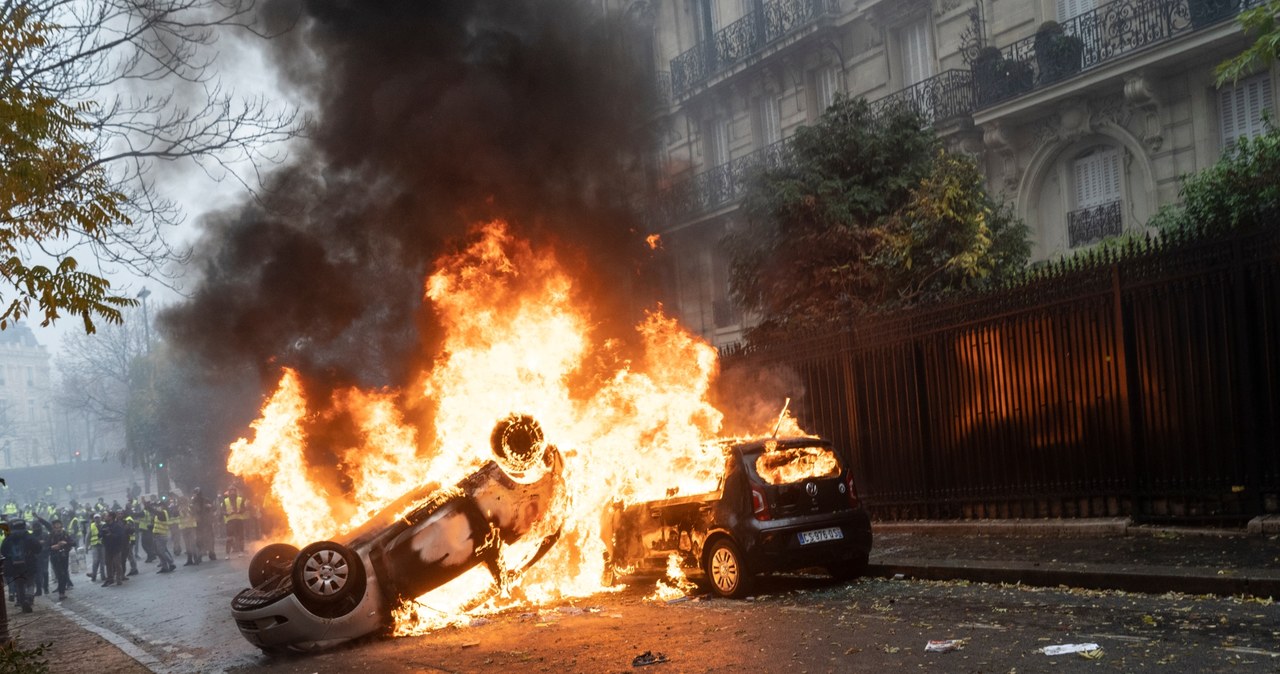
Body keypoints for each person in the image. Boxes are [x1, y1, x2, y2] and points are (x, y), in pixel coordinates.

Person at [1, 520, 41, 612]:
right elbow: (38, 547)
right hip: (29, 563)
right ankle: (29, 599)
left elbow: (3, 550)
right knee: (30, 581)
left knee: (19, 584)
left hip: (14, 565)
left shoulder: (8, 537)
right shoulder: (28, 536)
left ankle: (22, 603)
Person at [47, 519, 74, 600]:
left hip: (64, 556)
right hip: (55, 557)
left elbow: (73, 542)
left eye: (60, 527)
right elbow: (45, 547)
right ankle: (61, 593)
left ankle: (62, 591)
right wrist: (52, 547)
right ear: (53, 528)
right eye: (56, 527)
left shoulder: (65, 534)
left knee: (64, 574)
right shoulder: (50, 536)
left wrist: (66, 543)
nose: (58, 529)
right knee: (60, 574)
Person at [148, 501, 176, 573]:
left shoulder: (163, 513)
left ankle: (171, 563)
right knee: (158, 552)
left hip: (161, 535)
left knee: (162, 551)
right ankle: (164, 567)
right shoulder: (160, 514)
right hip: (158, 535)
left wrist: (148, 505)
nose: (158, 507)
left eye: (159, 505)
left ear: (163, 506)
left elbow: (154, 511)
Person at [222, 487, 247, 557]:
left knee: (240, 537)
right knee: (229, 538)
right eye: (231, 491)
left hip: (239, 520)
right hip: (230, 521)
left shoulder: (240, 499)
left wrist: (240, 511)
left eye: (234, 491)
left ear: (236, 492)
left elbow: (244, 508)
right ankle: (227, 554)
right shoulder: (225, 501)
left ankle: (241, 551)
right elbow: (222, 511)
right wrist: (228, 513)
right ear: (229, 493)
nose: (232, 493)